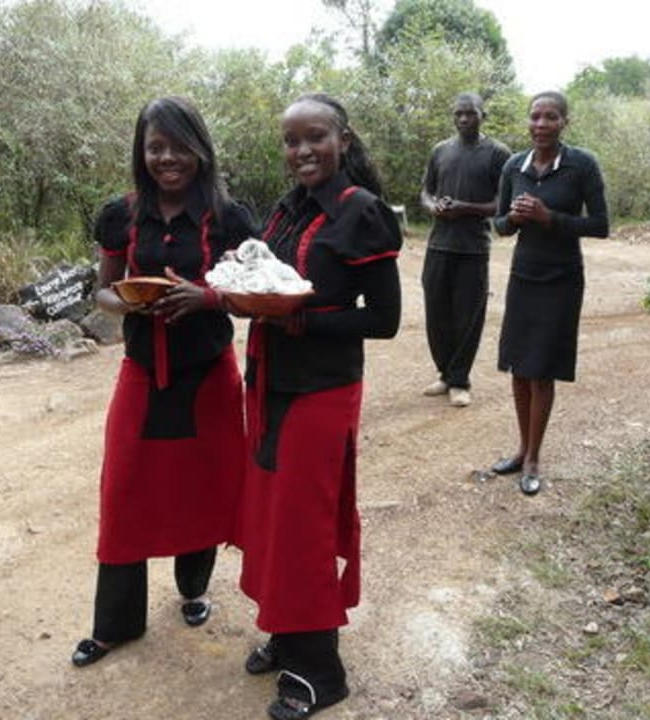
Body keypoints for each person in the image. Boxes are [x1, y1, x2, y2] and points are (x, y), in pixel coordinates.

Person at [71, 96, 256, 667]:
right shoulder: (121, 214)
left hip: (209, 374)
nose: (167, 158)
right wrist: (131, 301)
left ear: (200, 150)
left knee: (202, 484)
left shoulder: (230, 218)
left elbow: (254, 295)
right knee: (124, 489)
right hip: (143, 369)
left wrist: (208, 297)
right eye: (156, 147)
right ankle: (116, 625)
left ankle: (194, 589)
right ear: (141, 152)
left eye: (179, 147)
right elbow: (103, 290)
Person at [234, 93, 402, 720]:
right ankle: (287, 634)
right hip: (269, 378)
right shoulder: (289, 208)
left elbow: (383, 320)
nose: (302, 150)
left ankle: (321, 671)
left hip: (322, 388)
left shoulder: (362, 212)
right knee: (274, 515)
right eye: (291, 140)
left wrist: (303, 322)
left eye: (315, 137)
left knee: (305, 524)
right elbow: (264, 278)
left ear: (343, 141)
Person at [490, 90, 609, 495]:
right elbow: (499, 225)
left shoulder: (581, 165)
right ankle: (521, 450)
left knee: (542, 370)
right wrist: (514, 218)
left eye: (551, 117)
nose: (541, 124)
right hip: (524, 276)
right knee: (519, 367)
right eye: (535, 116)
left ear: (564, 122)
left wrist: (549, 217)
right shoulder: (514, 166)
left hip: (561, 279)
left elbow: (600, 224)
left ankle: (534, 458)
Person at [420, 92, 511, 407]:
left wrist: (466, 208)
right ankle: (445, 374)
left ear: (483, 115)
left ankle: (460, 381)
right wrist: (434, 206)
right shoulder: (440, 150)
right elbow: (426, 191)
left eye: (470, 113)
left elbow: (503, 203)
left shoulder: (498, 153)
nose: (463, 119)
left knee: (467, 316)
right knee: (436, 313)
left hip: (473, 248)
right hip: (438, 244)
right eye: (458, 113)